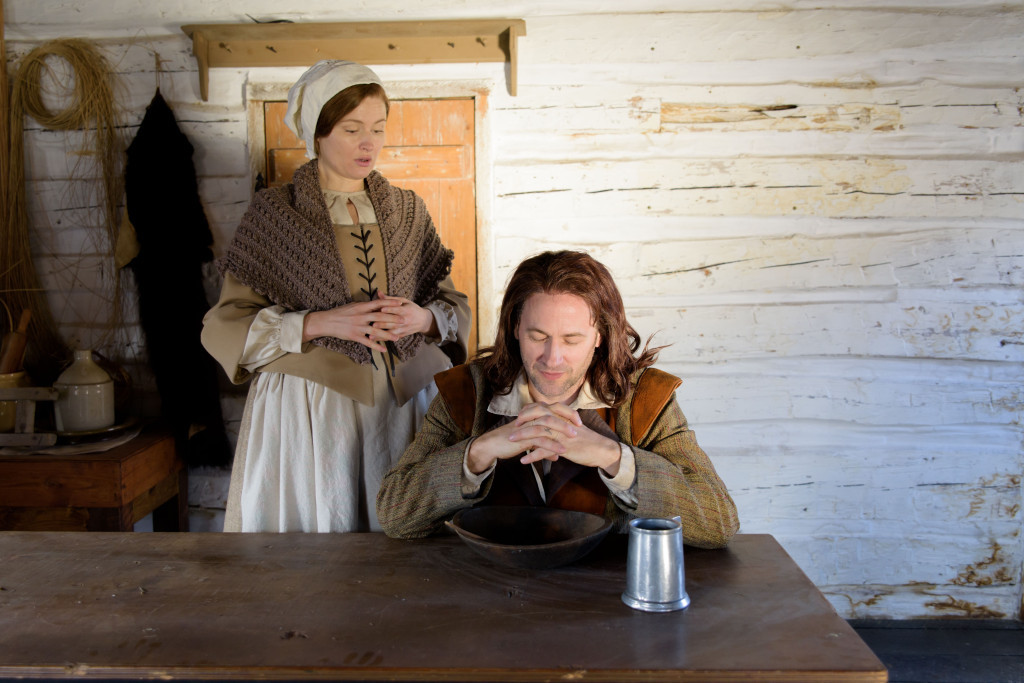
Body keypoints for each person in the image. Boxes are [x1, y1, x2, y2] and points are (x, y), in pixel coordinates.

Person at [202, 60, 471, 532]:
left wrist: (422, 319)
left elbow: (453, 307)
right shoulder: (275, 214)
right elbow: (226, 324)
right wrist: (318, 323)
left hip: (406, 410)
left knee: (406, 548)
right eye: (352, 129)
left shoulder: (407, 210)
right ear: (318, 132)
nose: (369, 143)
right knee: (320, 545)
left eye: (378, 129)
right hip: (311, 412)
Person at [376, 250, 738, 548]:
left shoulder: (646, 400)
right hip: (489, 598)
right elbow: (395, 516)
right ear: (515, 328)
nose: (552, 358)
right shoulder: (465, 393)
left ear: (600, 336)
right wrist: (478, 452)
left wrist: (611, 456)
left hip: (607, 606)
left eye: (571, 339)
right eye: (537, 336)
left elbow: (717, 522)